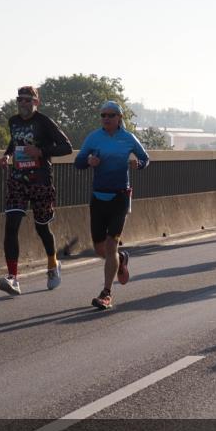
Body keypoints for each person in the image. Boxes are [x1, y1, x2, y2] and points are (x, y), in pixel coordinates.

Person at [74, 101, 150, 310]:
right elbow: (78, 162)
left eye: (110, 115)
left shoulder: (128, 138)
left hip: (120, 197)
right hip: (98, 198)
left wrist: (138, 164)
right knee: (101, 249)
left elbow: (146, 159)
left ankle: (106, 293)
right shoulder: (93, 137)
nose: (106, 119)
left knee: (111, 245)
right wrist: (88, 161)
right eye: (103, 115)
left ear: (119, 118)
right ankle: (121, 259)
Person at [0, 86, 73, 296]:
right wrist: (7, 155)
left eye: (27, 100)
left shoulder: (44, 122)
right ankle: (13, 278)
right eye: (20, 100)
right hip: (18, 180)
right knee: (11, 225)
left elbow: (66, 147)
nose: (23, 103)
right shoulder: (13, 121)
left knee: (42, 228)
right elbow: (15, 142)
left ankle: (53, 264)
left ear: (36, 102)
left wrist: (41, 151)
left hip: (40, 181)